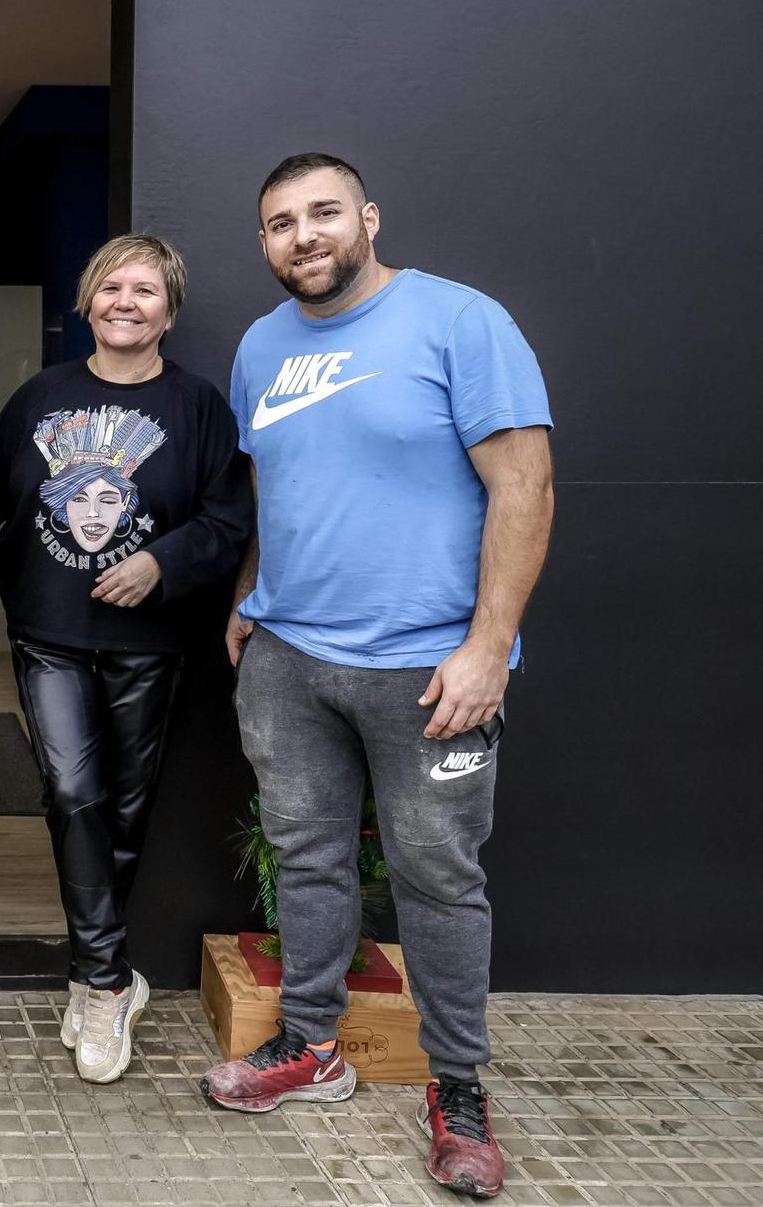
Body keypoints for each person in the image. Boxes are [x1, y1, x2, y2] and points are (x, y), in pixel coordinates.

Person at [202, 154, 553, 1201]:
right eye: (277, 224)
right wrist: (247, 596)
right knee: (305, 858)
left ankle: (456, 1088)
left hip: (427, 667)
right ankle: (309, 1048)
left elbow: (523, 484)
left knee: (437, 878)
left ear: (365, 217)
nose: (300, 236)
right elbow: (274, 483)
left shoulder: (459, 321)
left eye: (319, 214)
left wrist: (487, 644)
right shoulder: (261, 346)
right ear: (261, 243)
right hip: (288, 659)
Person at [0, 235, 251, 1083]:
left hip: (153, 640)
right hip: (49, 631)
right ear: (87, 303)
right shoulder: (41, 397)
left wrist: (162, 561)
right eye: (111, 287)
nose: (127, 301)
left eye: (146, 290)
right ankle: (104, 976)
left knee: (123, 810)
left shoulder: (197, 408)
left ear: (171, 310)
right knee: (73, 792)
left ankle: (104, 978)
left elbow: (229, 519)